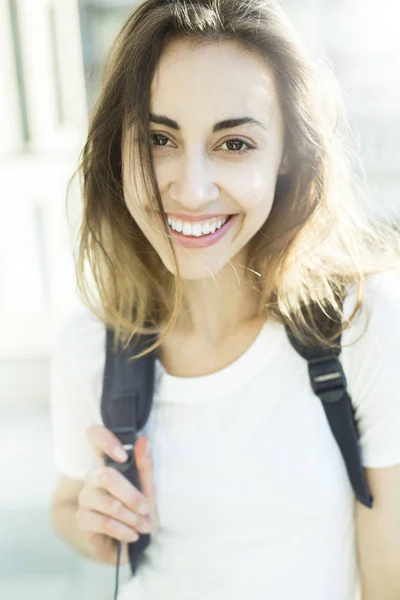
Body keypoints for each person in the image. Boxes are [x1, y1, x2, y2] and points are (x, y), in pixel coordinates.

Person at [49, 0, 400, 598]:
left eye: (234, 143)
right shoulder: (93, 346)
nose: (191, 189)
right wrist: (99, 524)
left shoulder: (361, 326)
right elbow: (65, 505)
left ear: (288, 154)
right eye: (159, 138)